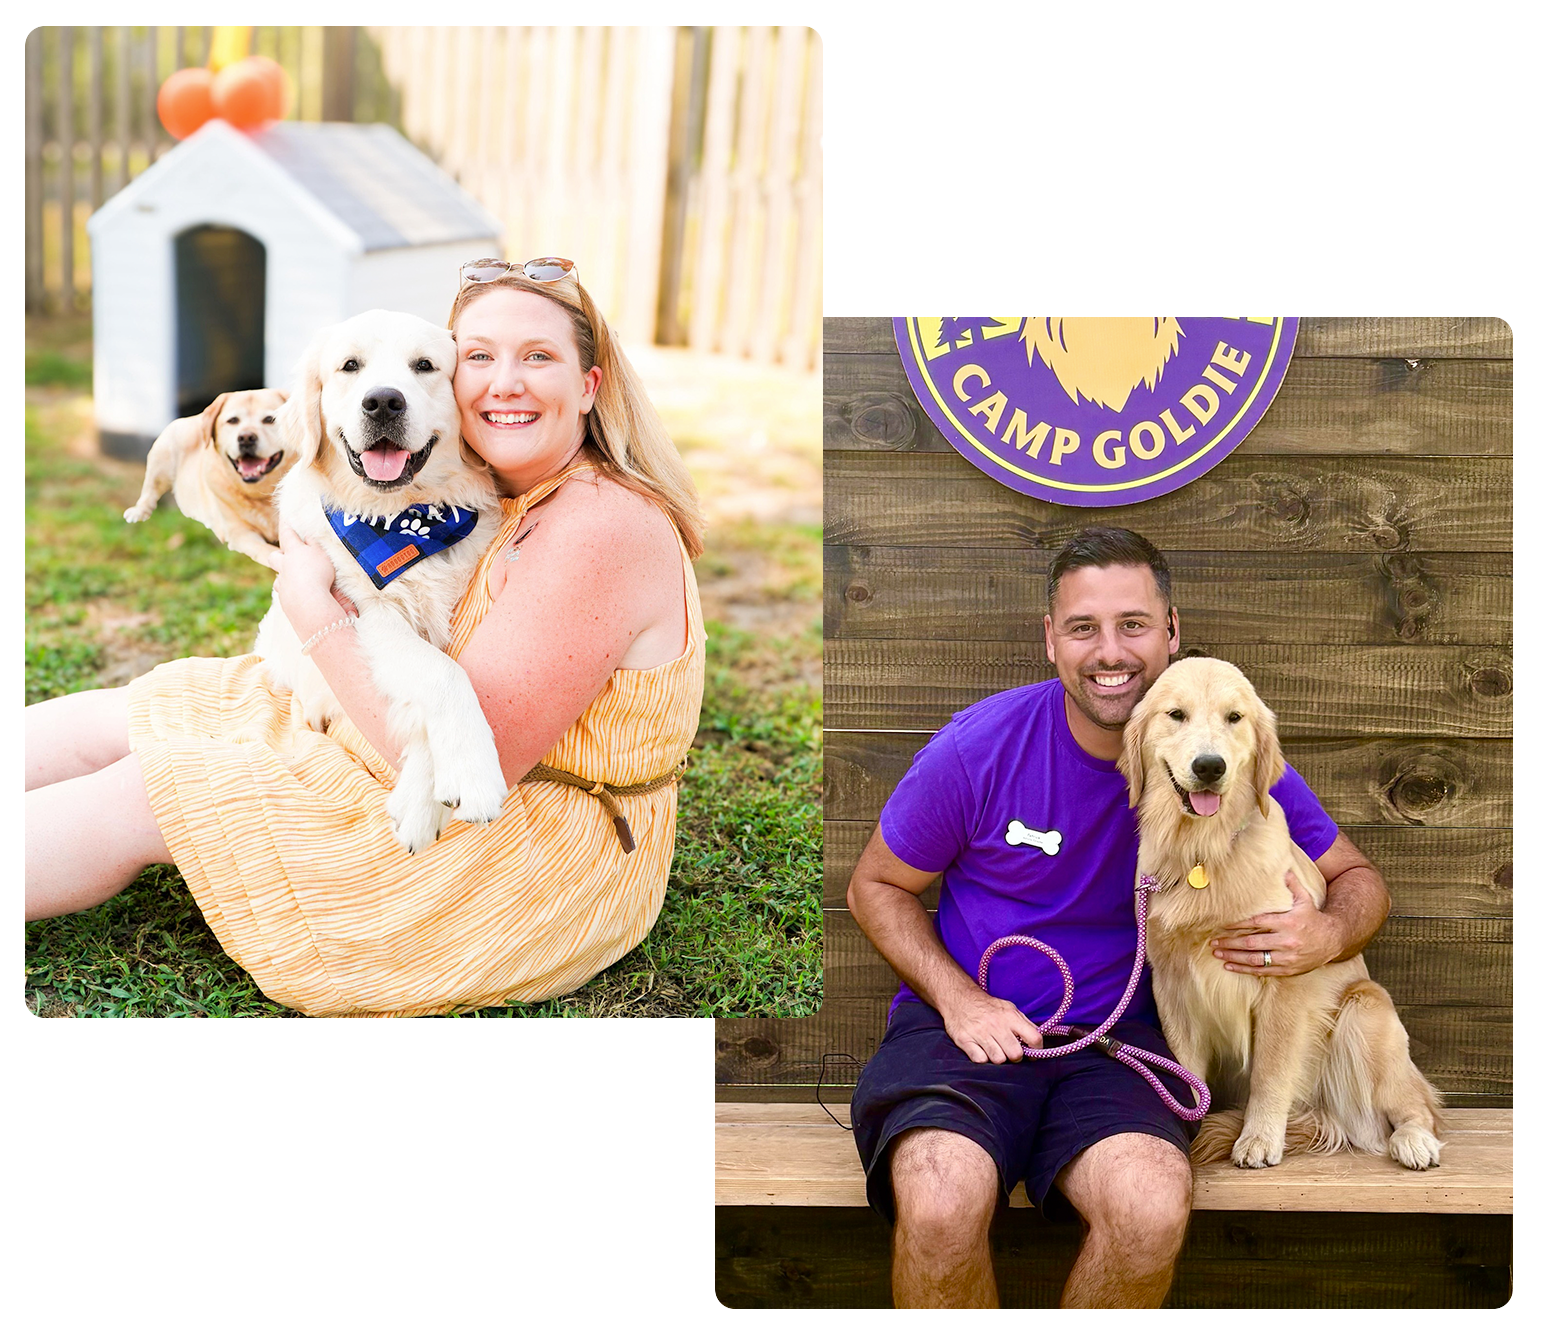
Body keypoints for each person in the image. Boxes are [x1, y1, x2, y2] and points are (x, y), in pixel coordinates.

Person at [25, 258, 707, 1018]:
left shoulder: (598, 527)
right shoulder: (502, 489)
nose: (503, 383)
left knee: (150, 789)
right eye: (480, 357)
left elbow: (469, 762)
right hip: (404, 741)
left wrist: (311, 605)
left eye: (538, 357)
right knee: (135, 711)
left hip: (514, 854)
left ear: (588, 386)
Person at [845, 526, 1392, 1311]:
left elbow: (1355, 876)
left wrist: (1328, 933)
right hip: (965, 1032)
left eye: (1132, 624)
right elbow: (875, 885)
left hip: (1122, 1045)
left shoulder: (1225, 756)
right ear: (1050, 639)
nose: (1109, 651)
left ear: (1169, 631)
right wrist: (960, 999)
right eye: (1083, 627)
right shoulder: (978, 748)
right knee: (937, 1200)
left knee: (1148, 1206)